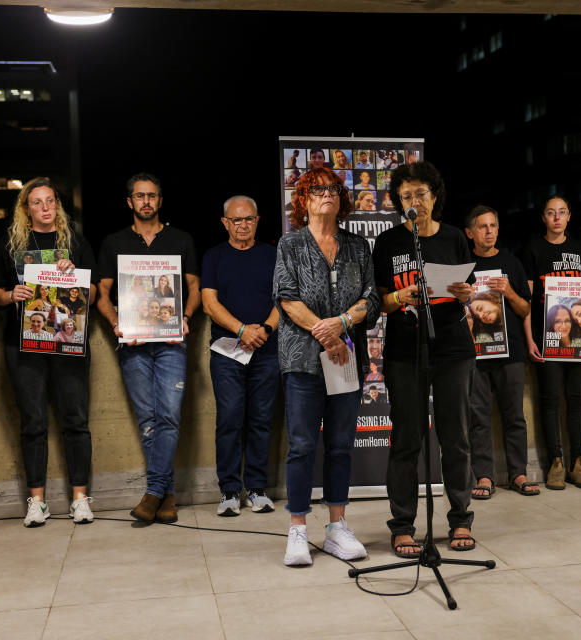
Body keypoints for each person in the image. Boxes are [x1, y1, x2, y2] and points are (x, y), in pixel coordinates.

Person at [274, 166, 380, 566]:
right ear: (302, 199)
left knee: (339, 446)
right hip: (302, 360)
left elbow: (370, 298)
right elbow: (286, 298)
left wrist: (344, 324)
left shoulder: (357, 247)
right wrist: (329, 334)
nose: (326, 194)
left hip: (347, 361)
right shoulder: (290, 244)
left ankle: (337, 527)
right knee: (301, 445)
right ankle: (297, 530)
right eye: (316, 189)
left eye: (333, 188)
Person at [372, 161, 477, 558]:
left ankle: (461, 518)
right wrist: (401, 297)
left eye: (420, 194)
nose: (414, 201)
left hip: (451, 347)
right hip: (404, 350)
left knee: (456, 438)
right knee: (406, 439)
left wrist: (466, 294)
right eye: (405, 197)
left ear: (434, 196)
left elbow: (466, 286)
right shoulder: (388, 242)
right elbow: (378, 300)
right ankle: (402, 526)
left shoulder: (453, 237)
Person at [97, 172, 201, 524]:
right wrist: (115, 323)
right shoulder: (114, 242)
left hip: (172, 342)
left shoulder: (181, 239)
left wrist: (185, 316)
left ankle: (153, 492)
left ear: (160, 200)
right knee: (149, 421)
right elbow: (102, 296)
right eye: (139, 196)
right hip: (134, 344)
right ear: (130, 202)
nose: (146, 202)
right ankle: (167, 495)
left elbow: (194, 288)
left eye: (152, 196)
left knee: (169, 415)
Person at [0, 177, 97, 526]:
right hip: (24, 345)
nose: (45, 208)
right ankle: (36, 501)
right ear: (26, 208)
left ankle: (80, 498)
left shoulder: (74, 242)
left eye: (50, 200)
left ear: (57, 205)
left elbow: (94, 293)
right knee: (33, 422)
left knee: (76, 421)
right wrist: (11, 295)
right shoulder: (11, 244)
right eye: (37, 202)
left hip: (68, 341)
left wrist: (78, 277)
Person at [522, 195, 581, 490]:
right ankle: (555, 463)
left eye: (562, 212)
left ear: (569, 216)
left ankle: (579, 462)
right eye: (551, 213)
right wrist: (531, 338)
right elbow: (527, 298)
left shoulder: (577, 249)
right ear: (544, 218)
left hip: (578, 339)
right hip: (547, 336)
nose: (557, 218)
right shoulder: (534, 249)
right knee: (549, 400)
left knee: (577, 399)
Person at [201, 195, 280, 517]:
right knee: (230, 418)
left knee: (262, 421)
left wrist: (264, 330)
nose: (243, 225)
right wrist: (242, 331)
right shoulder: (214, 256)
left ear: (257, 220)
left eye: (248, 219)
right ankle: (230, 491)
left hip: (267, 349)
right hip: (227, 351)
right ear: (225, 223)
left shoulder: (273, 255)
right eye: (236, 220)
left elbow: (284, 299)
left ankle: (258, 489)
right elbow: (209, 303)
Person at [464, 205, 536, 498]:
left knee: (514, 415)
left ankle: (518, 473)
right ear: (470, 233)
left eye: (493, 225)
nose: (489, 231)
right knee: (478, 416)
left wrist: (509, 292)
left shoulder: (512, 263)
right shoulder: (462, 265)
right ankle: (483, 477)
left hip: (511, 351)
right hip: (474, 352)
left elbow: (525, 308)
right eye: (483, 226)